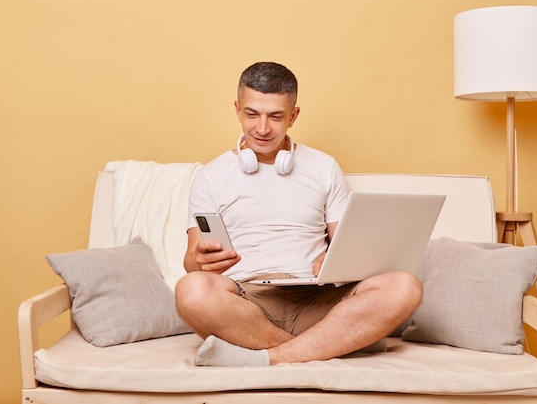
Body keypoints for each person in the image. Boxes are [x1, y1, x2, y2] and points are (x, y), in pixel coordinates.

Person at [175, 62, 422, 367]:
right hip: (245, 302)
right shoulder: (209, 176)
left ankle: (270, 357)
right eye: (252, 114)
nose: (262, 128)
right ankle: (332, 345)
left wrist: (335, 262)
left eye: (276, 116)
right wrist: (200, 262)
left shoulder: (323, 166)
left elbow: (350, 245)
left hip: (317, 298)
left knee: (405, 285)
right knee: (191, 290)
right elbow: (190, 262)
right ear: (237, 110)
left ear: (293, 116)